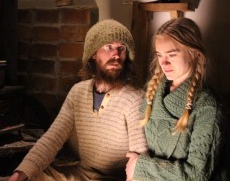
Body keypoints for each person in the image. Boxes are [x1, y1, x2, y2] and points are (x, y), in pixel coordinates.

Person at [9, 19, 148, 181]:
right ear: (93, 53)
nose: (116, 54)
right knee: (31, 177)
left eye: (121, 48)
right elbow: (52, 138)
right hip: (81, 174)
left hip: (117, 178)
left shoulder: (134, 97)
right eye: (108, 47)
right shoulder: (78, 92)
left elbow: (140, 158)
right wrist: (20, 173)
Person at [126, 18, 224, 181]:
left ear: (194, 53)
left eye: (172, 55)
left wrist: (141, 166)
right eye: (159, 55)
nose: (164, 63)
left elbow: (197, 175)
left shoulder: (208, 107)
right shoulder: (152, 95)